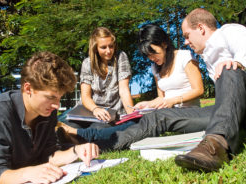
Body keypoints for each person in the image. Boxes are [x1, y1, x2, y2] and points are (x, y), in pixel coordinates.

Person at [96, 8, 246, 173]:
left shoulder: (230, 31)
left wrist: (237, 63)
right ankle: (99, 142)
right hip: (233, 111)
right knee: (160, 117)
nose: (186, 41)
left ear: (201, 28)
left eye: (187, 36)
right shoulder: (206, 57)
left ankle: (216, 145)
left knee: (227, 69)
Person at [59, 24, 204, 143]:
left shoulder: (184, 57)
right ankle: (68, 134)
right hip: (164, 112)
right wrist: (146, 104)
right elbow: (161, 98)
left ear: (164, 44)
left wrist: (171, 101)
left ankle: (84, 137)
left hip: (179, 112)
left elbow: (199, 90)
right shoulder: (156, 67)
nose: (151, 58)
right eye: (148, 55)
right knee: (66, 121)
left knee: (108, 128)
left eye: (154, 52)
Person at [0, 52, 99, 184]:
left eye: (59, 98)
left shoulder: (47, 112)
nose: (56, 105)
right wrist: (28, 173)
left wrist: (76, 151)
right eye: (50, 97)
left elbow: (49, 155)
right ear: (28, 88)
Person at [59, 27, 134, 132]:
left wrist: (132, 117)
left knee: (97, 130)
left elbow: (124, 90)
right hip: (89, 111)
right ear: (95, 48)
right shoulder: (87, 63)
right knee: (65, 125)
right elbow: (85, 96)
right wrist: (95, 109)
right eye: (103, 47)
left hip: (111, 114)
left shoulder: (121, 57)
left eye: (111, 46)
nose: (108, 51)